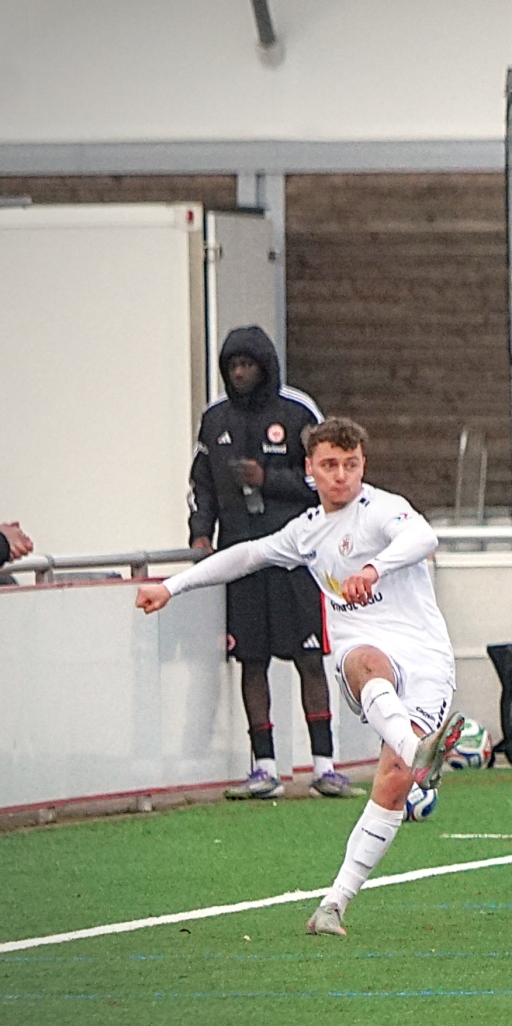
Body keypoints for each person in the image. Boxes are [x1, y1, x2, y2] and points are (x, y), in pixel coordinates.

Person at [139, 417, 466, 937]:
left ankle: (332, 904)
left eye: (351, 464)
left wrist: (372, 570)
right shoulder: (308, 530)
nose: (342, 475)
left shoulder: (381, 510)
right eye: (330, 465)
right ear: (309, 469)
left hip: (425, 656)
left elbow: (422, 537)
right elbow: (246, 555)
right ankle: (416, 748)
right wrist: (173, 586)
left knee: (394, 782)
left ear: (363, 465)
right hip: (366, 650)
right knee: (364, 663)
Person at [190, 326, 353, 800]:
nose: (240, 373)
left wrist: (269, 479)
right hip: (240, 559)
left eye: (248, 364)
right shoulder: (214, 420)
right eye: (232, 366)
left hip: (296, 560)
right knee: (251, 660)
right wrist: (201, 531)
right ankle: (264, 767)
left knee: (308, 658)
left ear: (265, 367)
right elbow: (201, 483)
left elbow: (326, 482)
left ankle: (324, 765)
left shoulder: (297, 413)